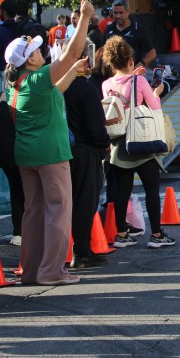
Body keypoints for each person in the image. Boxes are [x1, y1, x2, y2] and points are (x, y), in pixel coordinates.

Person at [5, 0, 93, 285]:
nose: (41, 52)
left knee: (33, 214)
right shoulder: (38, 79)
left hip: (28, 155)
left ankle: (32, 271)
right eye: (36, 51)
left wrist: (74, 71)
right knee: (58, 211)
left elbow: (54, 89)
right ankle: (52, 271)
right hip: (51, 154)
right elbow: (70, 53)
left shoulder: (18, 84)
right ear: (30, 60)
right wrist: (85, 18)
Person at [101, 36, 173, 249]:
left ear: (111, 63)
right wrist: (156, 93)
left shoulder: (106, 84)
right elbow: (154, 107)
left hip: (119, 144)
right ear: (130, 59)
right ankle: (157, 234)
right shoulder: (139, 81)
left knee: (123, 189)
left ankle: (122, 234)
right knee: (151, 188)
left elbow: (120, 104)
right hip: (141, 140)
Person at [65, 41, 111, 268]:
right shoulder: (86, 88)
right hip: (85, 151)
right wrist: (105, 145)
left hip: (61, 151)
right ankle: (81, 252)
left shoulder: (57, 87)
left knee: (63, 204)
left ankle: (61, 253)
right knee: (85, 202)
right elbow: (96, 127)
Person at [0, 90, 23, 245]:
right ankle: (28, 232)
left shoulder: (1, 106)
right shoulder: (26, 99)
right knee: (31, 194)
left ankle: (19, 232)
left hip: (7, 156)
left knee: (17, 192)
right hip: (26, 154)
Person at [102, 0, 156, 69]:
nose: (118, 16)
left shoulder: (138, 29)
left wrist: (140, 64)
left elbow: (152, 53)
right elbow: (103, 50)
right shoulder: (109, 29)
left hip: (132, 72)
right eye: (115, 13)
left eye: (121, 13)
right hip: (113, 73)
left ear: (127, 12)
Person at [0, 0, 22, 71]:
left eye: (0, 10)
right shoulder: (21, 28)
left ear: (4, 12)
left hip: (4, 72)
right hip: (22, 71)